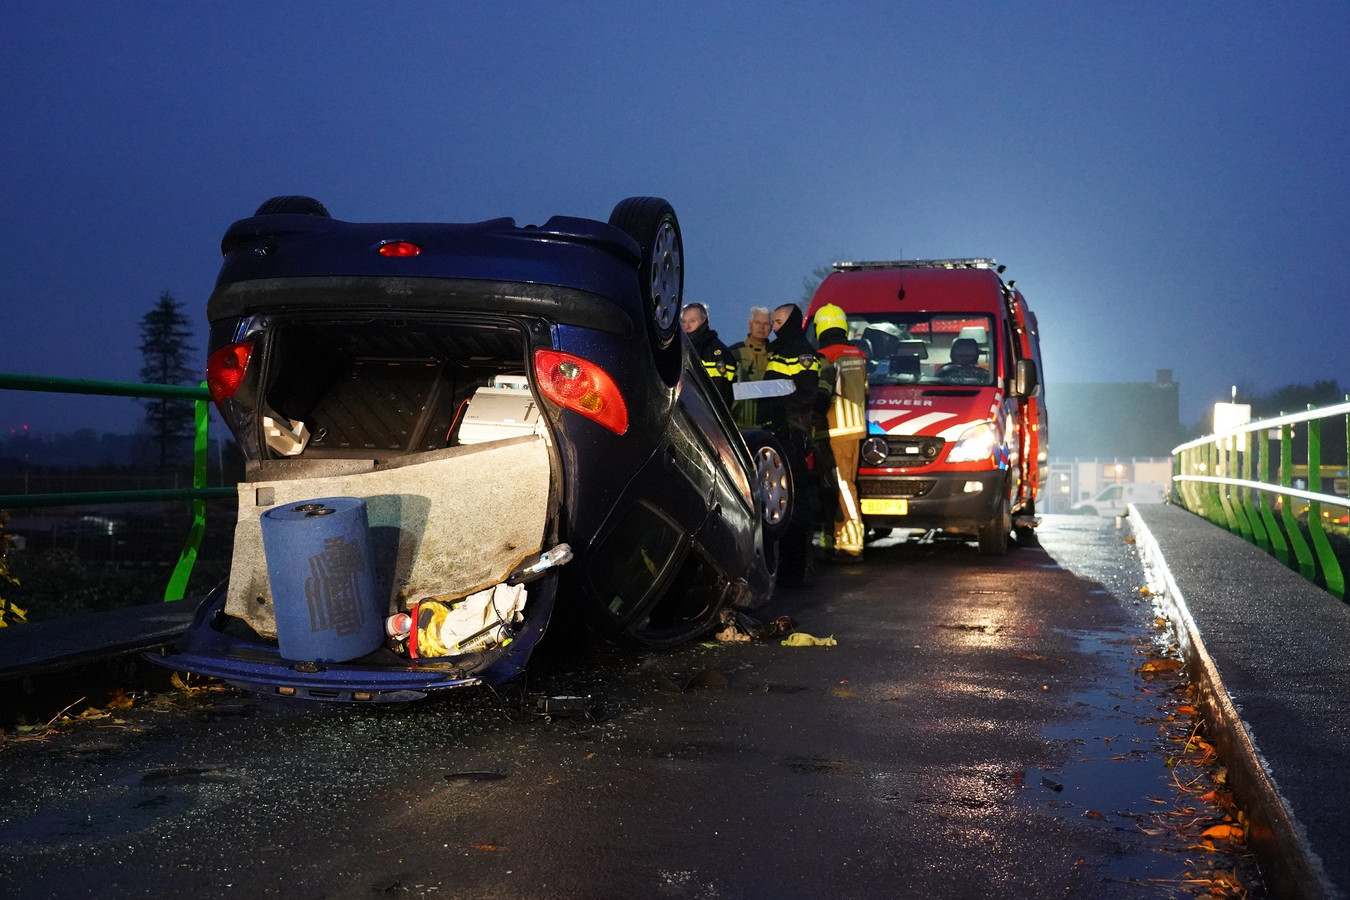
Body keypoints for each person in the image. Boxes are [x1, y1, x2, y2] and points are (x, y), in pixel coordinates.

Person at [762, 303, 832, 583]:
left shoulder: (802, 352)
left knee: (798, 501)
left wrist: (781, 410)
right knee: (782, 501)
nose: (773, 327)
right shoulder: (780, 350)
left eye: (778, 321)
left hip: (793, 432)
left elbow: (805, 394)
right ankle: (787, 569)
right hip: (778, 432)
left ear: (791, 322)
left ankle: (799, 570)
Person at [813, 303, 869, 560]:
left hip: (833, 429)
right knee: (843, 485)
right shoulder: (858, 354)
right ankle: (833, 538)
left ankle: (851, 541)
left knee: (842, 486)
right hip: (855, 428)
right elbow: (864, 390)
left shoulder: (824, 355)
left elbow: (822, 393)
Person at [681, 302, 736, 408]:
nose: (687, 326)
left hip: (705, 416)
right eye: (684, 321)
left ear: (704, 321)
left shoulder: (717, 352)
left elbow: (720, 393)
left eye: (692, 321)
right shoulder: (681, 348)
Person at [728, 306, 772, 427]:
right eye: (757, 322)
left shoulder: (776, 354)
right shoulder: (733, 353)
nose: (761, 327)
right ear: (750, 325)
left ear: (771, 328)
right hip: (738, 423)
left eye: (766, 324)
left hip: (767, 424)